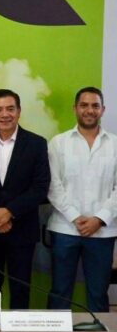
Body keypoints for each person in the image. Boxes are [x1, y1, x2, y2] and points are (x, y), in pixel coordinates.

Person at [0, 89, 50, 310]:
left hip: (22, 230)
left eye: (10, 109)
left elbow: (40, 187)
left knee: (21, 289)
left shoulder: (36, 144)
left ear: (19, 111)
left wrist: (10, 211)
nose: (4, 114)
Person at [47, 87, 116, 312]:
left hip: (102, 231)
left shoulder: (115, 144)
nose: (89, 110)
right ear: (75, 108)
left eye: (95, 106)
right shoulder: (58, 143)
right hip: (65, 229)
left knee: (98, 293)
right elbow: (53, 185)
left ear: (103, 110)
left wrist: (99, 219)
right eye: (84, 105)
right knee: (60, 291)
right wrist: (76, 217)